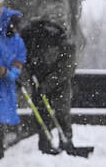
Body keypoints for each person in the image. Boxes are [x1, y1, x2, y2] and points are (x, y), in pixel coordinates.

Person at [19, 18, 76, 155]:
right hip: (39, 80)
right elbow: (23, 59)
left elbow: (66, 69)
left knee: (61, 112)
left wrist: (47, 84)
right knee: (42, 112)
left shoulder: (62, 42)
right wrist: (25, 76)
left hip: (57, 83)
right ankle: (45, 143)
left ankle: (66, 142)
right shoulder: (32, 38)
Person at [0, 7, 26, 159]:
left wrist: (13, 71)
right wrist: (4, 72)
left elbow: (19, 60)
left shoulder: (17, 41)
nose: (15, 31)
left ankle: (0, 150)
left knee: (4, 118)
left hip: (7, 88)